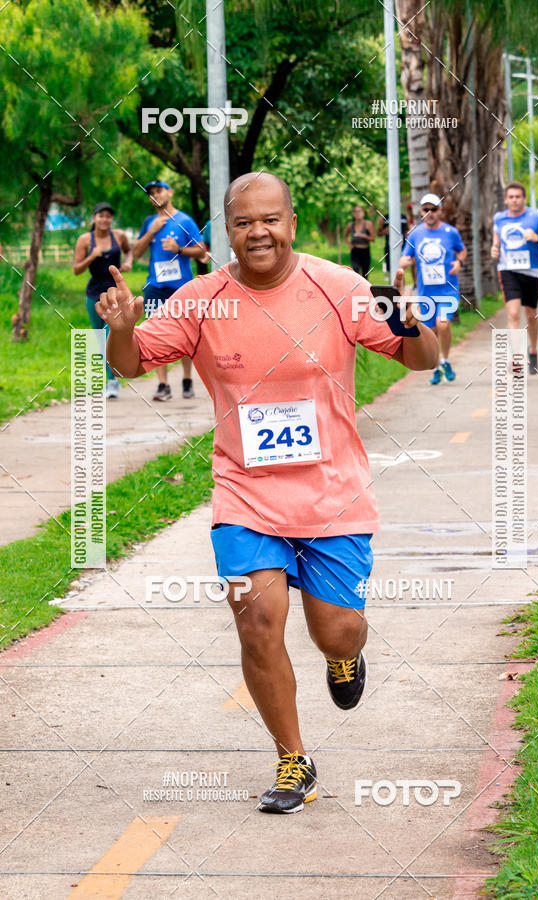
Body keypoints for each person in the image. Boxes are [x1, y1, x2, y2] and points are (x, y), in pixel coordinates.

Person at [96, 172, 438, 814]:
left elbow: (420, 359)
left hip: (332, 494)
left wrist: (418, 325)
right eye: (245, 221)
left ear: (291, 221)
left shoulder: (340, 287)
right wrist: (120, 327)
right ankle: (293, 760)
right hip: (245, 495)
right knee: (256, 622)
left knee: (336, 632)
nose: (259, 232)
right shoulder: (201, 300)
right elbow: (132, 362)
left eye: (270, 219)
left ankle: (343, 659)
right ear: (227, 229)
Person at [133, 180, 208, 400]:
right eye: (151, 193)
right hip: (155, 286)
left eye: (159, 191)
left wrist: (179, 249)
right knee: (155, 333)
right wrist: (151, 232)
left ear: (170, 192)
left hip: (182, 287)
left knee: (186, 333)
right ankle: (163, 385)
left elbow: (202, 250)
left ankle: (186, 379)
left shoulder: (185, 221)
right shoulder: (149, 222)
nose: (155, 195)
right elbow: (137, 252)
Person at [394, 193, 466, 385]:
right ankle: (436, 366)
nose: (430, 213)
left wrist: (459, 263)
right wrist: (405, 262)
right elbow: (405, 257)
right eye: (426, 209)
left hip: (447, 289)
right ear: (421, 212)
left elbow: (462, 250)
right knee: (431, 331)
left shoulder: (451, 232)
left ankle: (446, 360)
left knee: (443, 324)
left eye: (434, 209)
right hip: (426, 292)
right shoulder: (416, 234)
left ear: (440, 211)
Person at [491, 181, 538, 375]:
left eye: (518, 197)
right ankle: (516, 358)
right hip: (508, 270)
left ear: (524, 199)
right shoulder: (499, 218)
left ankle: (533, 350)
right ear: (506, 199)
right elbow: (497, 234)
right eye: (511, 197)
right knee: (513, 314)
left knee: (531, 314)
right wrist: (495, 247)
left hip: (532, 271)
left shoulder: (536, 218)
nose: (514, 200)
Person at [73, 202, 133, 399]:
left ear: (111, 219)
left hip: (114, 292)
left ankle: (113, 381)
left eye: (108, 216)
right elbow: (76, 270)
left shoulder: (119, 236)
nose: (105, 219)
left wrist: (128, 262)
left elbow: (129, 250)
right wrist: (92, 256)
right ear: (94, 218)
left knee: (110, 335)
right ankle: (106, 380)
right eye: (101, 216)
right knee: (99, 337)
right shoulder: (84, 240)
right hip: (93, 294)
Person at [343, 205, 375, 277]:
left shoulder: (368, 224)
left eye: (359, 211)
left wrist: (364, 236)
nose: (358, 214)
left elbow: (373, 238)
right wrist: (349, 244)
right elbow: (345, 237)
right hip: (355, 251)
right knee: (356, 272)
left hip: (365, 251)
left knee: (365, 274)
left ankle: (365, 288)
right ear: (353, 214)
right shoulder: (350, 225)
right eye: (355, 212)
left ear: (363, 213)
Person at [377, 209, 407, 275]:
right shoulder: (385, 217)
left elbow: (408, 232)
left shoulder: (404, 217)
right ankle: (392, 284)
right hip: (389, 247)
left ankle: (402, 285)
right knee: (390, 270)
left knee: (401, 270)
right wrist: (384, 231)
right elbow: (378, 234)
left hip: (402, 247)